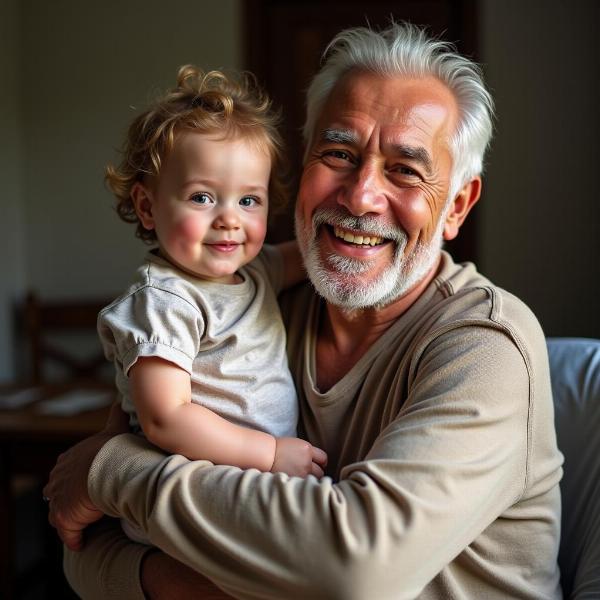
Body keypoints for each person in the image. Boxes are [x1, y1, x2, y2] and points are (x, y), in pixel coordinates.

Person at [44, 23, 563, 599]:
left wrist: (113, 473)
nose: (361, 196)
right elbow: (86, 552)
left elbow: (353, 570)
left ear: (457, 207)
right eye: (338, 154)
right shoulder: (255, 303)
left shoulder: (487, 345)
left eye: (405, 169)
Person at [96, 66, 328, 541]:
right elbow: (166, 417)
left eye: (249, 201)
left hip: (249, 478)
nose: (229, 220)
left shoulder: (256, 270)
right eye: (202, 197)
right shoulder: (164, 299)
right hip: (191, 486)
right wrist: (268, 453)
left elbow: (311, 255)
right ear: (147, 207)